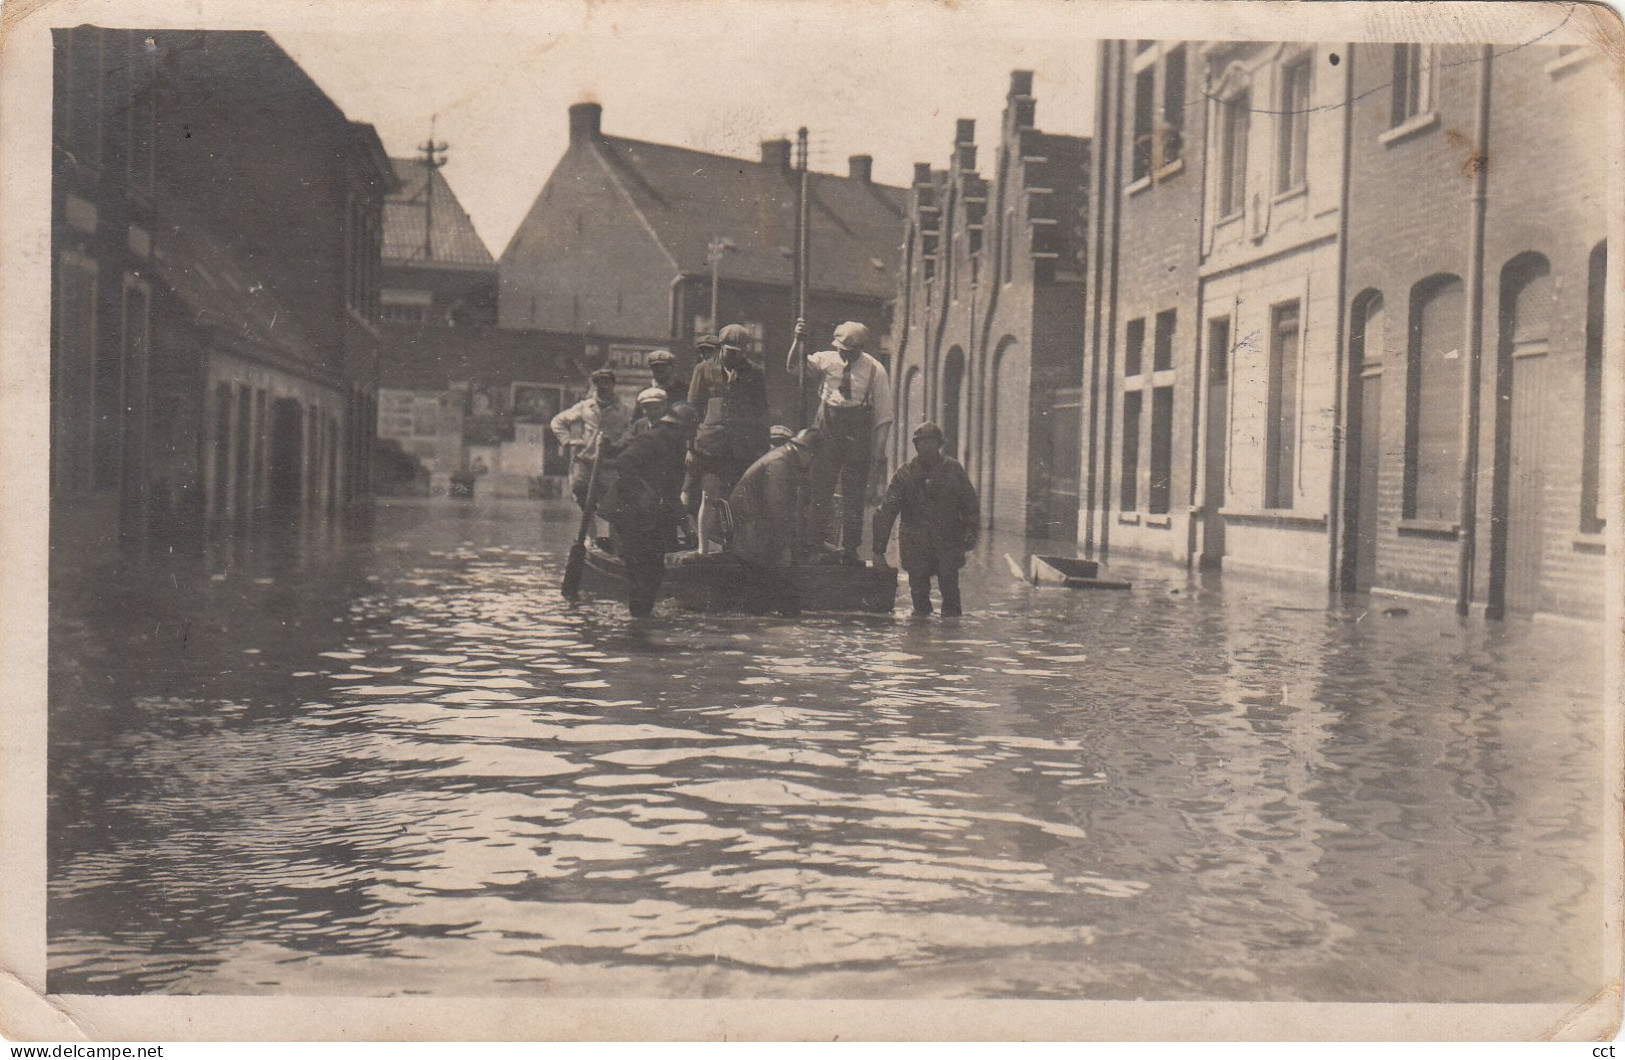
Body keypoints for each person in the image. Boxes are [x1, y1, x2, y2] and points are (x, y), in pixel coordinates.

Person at [790, 319, 893, 564]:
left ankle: (850, 549)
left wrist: (879, 451)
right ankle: (814, 546)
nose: (843, 355)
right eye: (840, 349)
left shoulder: (875, 370)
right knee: (820, 489)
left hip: (857, 436)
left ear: (860, 349)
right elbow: (794, 368)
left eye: (849, 352)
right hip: (826, 430)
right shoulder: (826, 359)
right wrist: (797, 340)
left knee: (854, 494)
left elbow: (884, 415)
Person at [872, 421, 980, 618]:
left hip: (947, 542)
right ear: (916, 445)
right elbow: (886, 511)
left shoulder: (953, 470)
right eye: (922, 443)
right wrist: (878, 550)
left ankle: (950, 640)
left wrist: (971, 533)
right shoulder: (904, 474)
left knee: (951, 596)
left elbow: (970, 504)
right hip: (915, 545)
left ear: (939, 444)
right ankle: (919, 640)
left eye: (932, 442)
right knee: (919, 598)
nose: (927, 447)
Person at [599, 404, 698, 617]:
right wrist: (642, 492)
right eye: (686, 430)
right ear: (674, 427)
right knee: (641, 567)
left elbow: (672, 490)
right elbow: (623, 463)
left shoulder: (677, 447)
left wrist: (684, 522)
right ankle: (638, 619)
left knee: (654, 568)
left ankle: (641, 616)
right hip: (630, 512)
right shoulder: (651, 439)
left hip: (652, 515)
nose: (688, 435)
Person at [688, 323, 770, 551]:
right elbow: (693, 409)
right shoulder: (703, 370)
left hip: (743, 449)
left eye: (740, 352)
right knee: (709, 495)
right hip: (710, 447)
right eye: (730, 351)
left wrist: (762, 449)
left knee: (739, 500)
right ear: (720, 347)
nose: (734, 357)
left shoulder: (755, 373)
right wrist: (690, 446)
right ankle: (703, 549)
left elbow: (762, 412)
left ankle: (732, 549)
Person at [727, 427, 824, 568]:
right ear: (808, 453)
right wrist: (787, 546)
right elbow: (777, 508)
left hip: (755, 529)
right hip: (751, 532)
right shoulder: (780, 464)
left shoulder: (786, 458)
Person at [550, 368, 634, 509]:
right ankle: (590, 528)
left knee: (612, 502)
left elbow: (634, 429)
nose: (604, 387)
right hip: (585, 459)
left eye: (607, 383)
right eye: (600, 383)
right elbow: (557, 421)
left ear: (613, 385)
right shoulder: (585, 407)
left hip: (609, 462)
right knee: (578, 488)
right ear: (595, 385)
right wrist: (567, 440)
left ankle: (613, 530)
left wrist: (623, 443)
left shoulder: (624, 410)